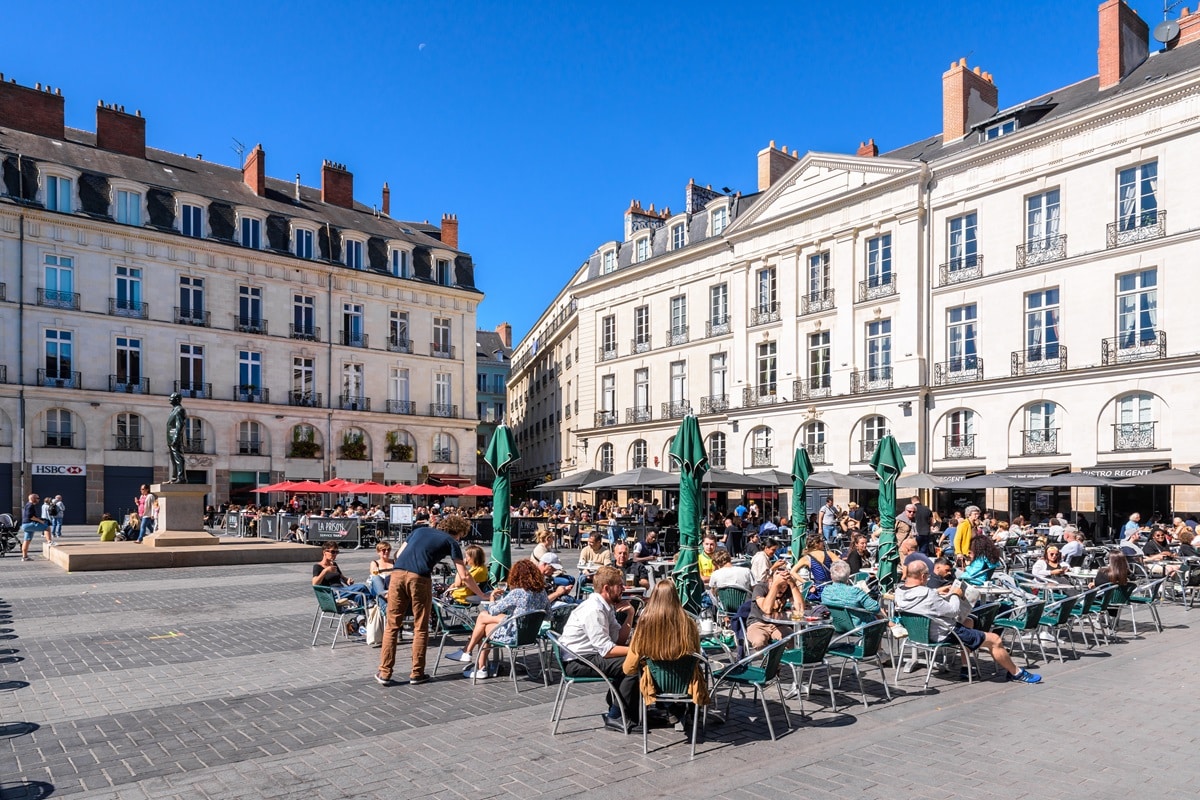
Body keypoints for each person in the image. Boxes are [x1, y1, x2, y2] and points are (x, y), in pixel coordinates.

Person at [376, 515, 487, 686]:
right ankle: (417, 673)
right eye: (461, 535)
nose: (460, 538)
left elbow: (398, 554)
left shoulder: (419, 530)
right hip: (420, 577)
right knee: (420, 627)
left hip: (397, 575)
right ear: (457, 532)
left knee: (392, 626)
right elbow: (464, 575)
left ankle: (384, 673)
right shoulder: (451, 542)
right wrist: (481, 594)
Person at [895, 559, 1042, 684]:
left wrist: (937, 591)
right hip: (944, 633)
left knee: (968, 622)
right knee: (995, 639)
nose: (927, 579)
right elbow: (953, 611)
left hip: (919, 634)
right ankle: (1016, 672)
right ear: (922, 576)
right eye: (926, 577)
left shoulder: (900, 592)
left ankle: (965, 667)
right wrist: (955, 594)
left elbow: (923, 598)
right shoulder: (927, 595)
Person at [557, 565, 638, 732]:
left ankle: (620, 706)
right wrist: (638, 651)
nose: (623, 589)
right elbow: (607, 650)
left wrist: (630, 614)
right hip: (577, 661)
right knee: (633, 664)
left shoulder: (605, 606)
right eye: (620, 585)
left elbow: (619, 640)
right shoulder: (594, 609)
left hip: (589, 655)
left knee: (631, 660)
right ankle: (616, 714)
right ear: (607, 588)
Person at [622, 580, 710, 725]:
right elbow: (696, 654)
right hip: (685, 682)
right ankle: (684, 709)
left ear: (654, 597)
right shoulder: (689, 623)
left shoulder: (644, 624)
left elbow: (628, 667)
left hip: (655, 684)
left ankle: (671, 708)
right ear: (676, 597)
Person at [449, 559, 550, 680]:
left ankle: (476, 662)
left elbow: (493, 611)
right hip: (530, 635)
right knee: (483, 619)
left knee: (484, 623)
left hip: (514, 635)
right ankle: (471, 658)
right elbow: (548, 615)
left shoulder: (517, 593)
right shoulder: (542, 592)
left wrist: (492, 597)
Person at [746, 562, 806, 649]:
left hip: (778, 624)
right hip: (758, 623)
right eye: (779, 585)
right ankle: (768, 661)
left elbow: (800, 609)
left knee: (793, 639)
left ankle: (784, 659)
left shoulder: (787, 588)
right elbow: (767, 609)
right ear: (770, 582)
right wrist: (775, 585)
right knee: (759, 641)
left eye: (784, 586)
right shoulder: (760, 588)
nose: (781, 589)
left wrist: (792, 585)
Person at [791, 531, 842, 602]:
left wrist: (806, 583)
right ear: (817, 544)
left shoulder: (806, 558)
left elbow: (792, 572)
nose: (823, 543)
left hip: (817, 589)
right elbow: (842, 565)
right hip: (832, 587)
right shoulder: (829, 554)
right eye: (821, 541)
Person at [165, 391, 188, 484]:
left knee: (178, 458)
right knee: (173, 459)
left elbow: (180, 425)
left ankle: (181, 478)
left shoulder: (179, 410)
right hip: (171, 438)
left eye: (172, 398)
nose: (170, 399)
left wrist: (176, 438)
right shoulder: (174, 410)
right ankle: (174, 478)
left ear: (177, 399)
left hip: (175, 438)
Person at [19, 494, 48, 561]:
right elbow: (31, 516)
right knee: (47, 527)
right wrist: (41, 521)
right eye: (37, 498)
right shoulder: (30, 505)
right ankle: (49, 542)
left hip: (25, 525)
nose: (39, 499)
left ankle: (24, 557)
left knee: (26, 540)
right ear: (33, 499)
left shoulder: (27, 505)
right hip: (29, 524)